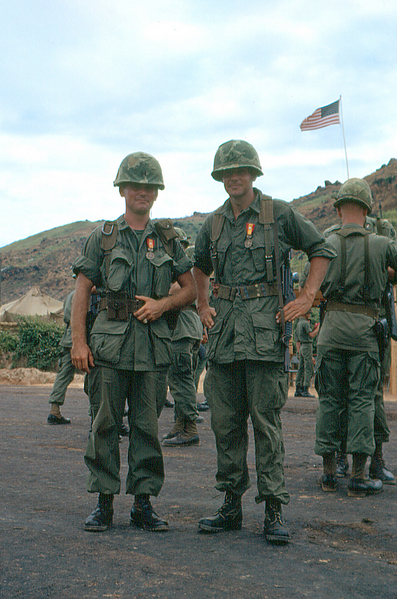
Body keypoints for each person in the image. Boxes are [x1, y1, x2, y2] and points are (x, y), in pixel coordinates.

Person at [193, 139, 335, 543]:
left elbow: (320, 248)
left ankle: (273, 508)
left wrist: (307, 297)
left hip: (266, 334)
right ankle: (231, 506)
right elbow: (199, 266)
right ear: (220, 177)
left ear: (253, 174)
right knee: (225, 424)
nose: (233, 177)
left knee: (266, 424)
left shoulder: (279, 214)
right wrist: (202, 306)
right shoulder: (214, 223)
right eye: (226, 172)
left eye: (241, 170)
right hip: (224, 338)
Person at [70, 152, 196, 533]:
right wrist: (79, 342)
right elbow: (82, 289)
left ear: (156, 193)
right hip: (108, 349)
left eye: (149, 187)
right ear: (123, 190)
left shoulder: (168, 239)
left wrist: (164, 304)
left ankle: (143, 504)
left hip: (153, 351)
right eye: (135, 186)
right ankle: (103, 503)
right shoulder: (103, 237)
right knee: (104, 424)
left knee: (147, 428)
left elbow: (191, 290)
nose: (142, 192)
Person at [314, 178, 397, 497]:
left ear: (337, 209)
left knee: (330, 400)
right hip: (364, 332)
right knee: (363, 399)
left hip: (331, 330)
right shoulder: (380, 244)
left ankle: (329, 473)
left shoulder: (325, 241)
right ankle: (360, 474)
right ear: (367, 210)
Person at [162, 228, 204, 446]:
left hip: (181, 327)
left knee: (180, 379)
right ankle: (181, 424)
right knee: (182, 378)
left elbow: (172, 293)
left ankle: (190, 428)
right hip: (190, 326)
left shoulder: (181, 269)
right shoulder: (188, 265)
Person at [47, 290, 75, 424]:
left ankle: (54, 410)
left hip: (69, 335)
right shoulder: (87, 293)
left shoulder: (70, 295)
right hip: (82, 334)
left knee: (64, 373)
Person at [294, 310, 319, 398]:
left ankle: (298, 389)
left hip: (301, 346)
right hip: (307, 346)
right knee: (308, 368)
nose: (309, 315)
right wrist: (318, 328)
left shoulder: (298, 324)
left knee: (300, 369)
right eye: (309, 314)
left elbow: (297, 338)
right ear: (305, 314)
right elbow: (311, 335)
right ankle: (305, 390)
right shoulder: (305, 323)